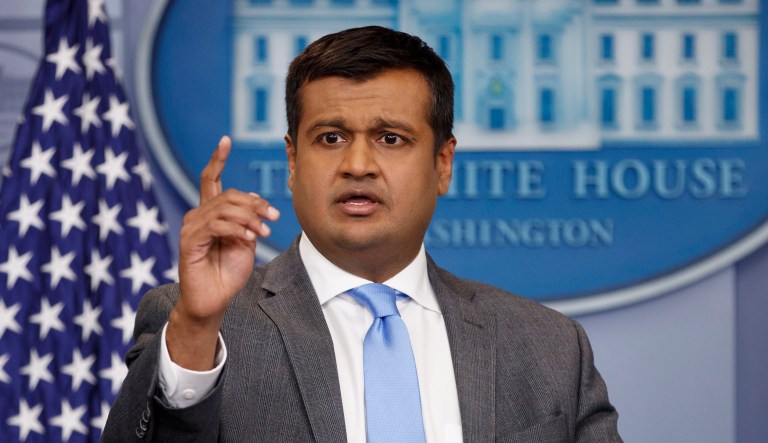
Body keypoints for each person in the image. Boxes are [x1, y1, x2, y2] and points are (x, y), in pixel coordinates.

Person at [103, 26, 621, 442]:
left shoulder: (549, 346)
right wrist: (196, 328)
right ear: (292, 159)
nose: (357, 164)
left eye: (390, 138)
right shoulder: (198, 326)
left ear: (443, 163)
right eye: (331, 138)